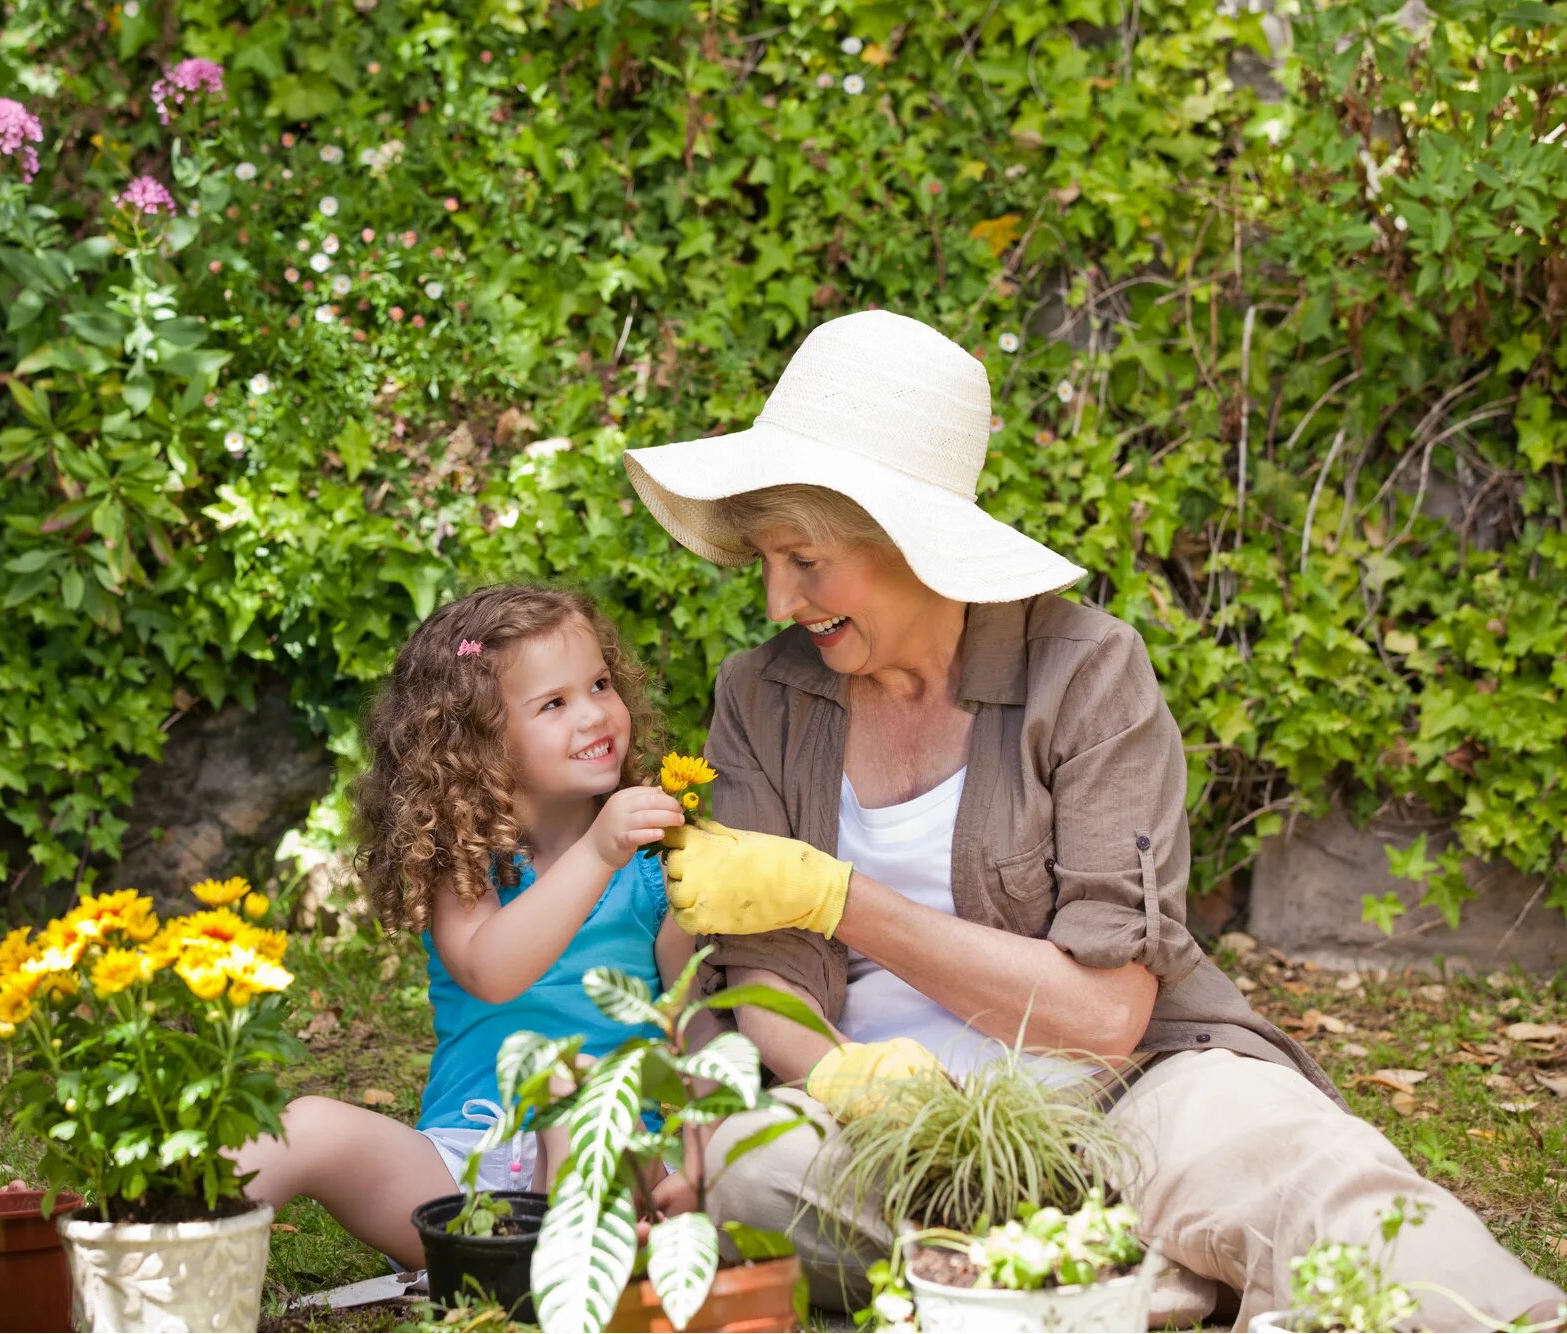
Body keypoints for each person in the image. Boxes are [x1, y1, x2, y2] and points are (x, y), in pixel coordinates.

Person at [621, 310, 1566, 1329]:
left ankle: (1485, 1316)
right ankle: (1136, 1266)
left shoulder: (1086, 671)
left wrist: (844, 899)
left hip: (1120, 1087)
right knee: (756, 1177)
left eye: (803, 559)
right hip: (872, 1125)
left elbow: (1107, 1013)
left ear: (905, 537)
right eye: (764, 558)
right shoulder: (760, 694)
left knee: (1306, 1165)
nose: (775, 597)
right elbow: (762, 979)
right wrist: (855, 1083)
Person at [232, 584, 693, 1269]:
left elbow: (693, 1027)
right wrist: (599, 852)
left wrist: (689, 1172)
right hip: (458, 1176)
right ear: (480, 741)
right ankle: (152, 1248)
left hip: (611, 1160)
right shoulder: (466, 861)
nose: (595, 714)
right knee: (302, 1127)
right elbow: (491, 970)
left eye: (600, 683)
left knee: (583, 1092)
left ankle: (567, 1282)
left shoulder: (659, 866)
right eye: (554, 704)